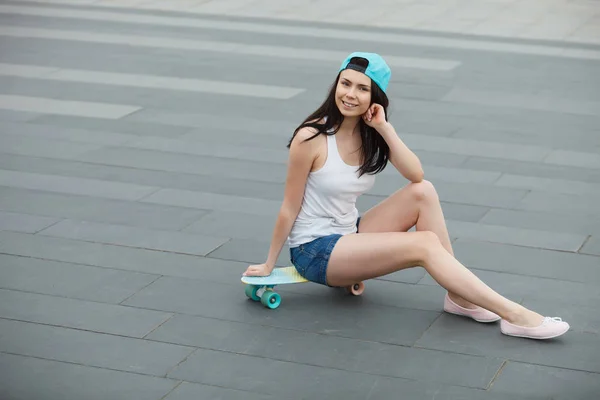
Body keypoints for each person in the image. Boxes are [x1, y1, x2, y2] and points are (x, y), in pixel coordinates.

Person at [243, 52, 569, 340]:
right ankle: (515, 315)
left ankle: (460, 299)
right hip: (315, 250)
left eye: (362, 88)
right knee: (424, 244)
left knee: (423, 192)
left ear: (375, 97)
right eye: (345, 83)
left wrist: (385, 128)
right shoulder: (311, 137)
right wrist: (270, 262)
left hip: (348, 234)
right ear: (335, 85)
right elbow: (289, 206)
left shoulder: (370, 132)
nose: (350, 94)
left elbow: (416, 175)